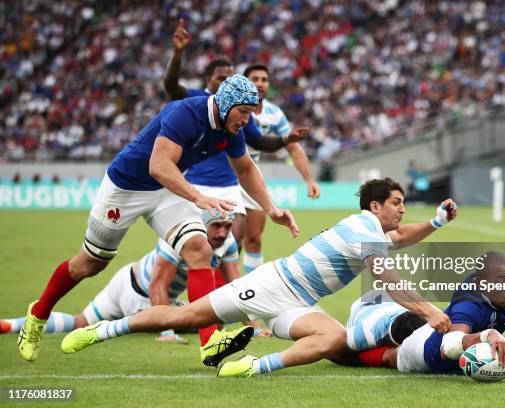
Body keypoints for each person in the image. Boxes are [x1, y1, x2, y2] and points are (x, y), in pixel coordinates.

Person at [18, 74, 298, 362]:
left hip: (167, 190)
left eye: (250, 114)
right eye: (244, 112)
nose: (247, 120)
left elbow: (246, 170)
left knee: (199, 249)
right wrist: (198, 197)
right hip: (126, 187)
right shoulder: (186, 113)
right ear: (226, 104)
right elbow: (159, 165)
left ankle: (210, 339)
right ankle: (37, 316)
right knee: (89, 264)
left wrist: (271, 208)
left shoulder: (233, 129)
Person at [61, 178, 455, 377]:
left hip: (298, 302)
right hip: (270, 286)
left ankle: (250, 367)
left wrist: (437, 221)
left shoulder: (371, 227)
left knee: (336, 340)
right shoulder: (364, 228)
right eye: (397, 203)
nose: (402, 210)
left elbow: (401, 236)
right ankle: (100, 331)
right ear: (376, 205)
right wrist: (428, 312)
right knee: (184, 317)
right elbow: (387, 276)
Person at [163, 20, 318, 272]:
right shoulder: (195, 101)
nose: (226, 81)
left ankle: (232, 303)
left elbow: (257, 141)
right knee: (195, 254)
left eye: (230, 77)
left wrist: (286, 140)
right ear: (208, 79)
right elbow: (171, 87)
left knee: (232, 248)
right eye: (221, 77)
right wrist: (178, 53)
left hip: (232, 186)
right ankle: (189, 302)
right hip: (198, 185)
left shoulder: (241, 114)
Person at [3, 212, 274, 343]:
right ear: (202, 222)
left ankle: (9, 325)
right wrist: (166, 331)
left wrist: (253, 324)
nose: (224, 232)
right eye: (217, 225)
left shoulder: (225, 245)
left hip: (128, 276)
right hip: (142, 294)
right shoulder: (181, 238)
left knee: (80, 321)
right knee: (207, 319)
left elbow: (236, 285)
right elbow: (158, 285)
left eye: (228, 226)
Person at [353, 252, 505, 374]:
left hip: (467, 349)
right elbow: (448, 346)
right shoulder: (468, 303)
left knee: (493, 348)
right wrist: (487, 334)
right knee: (391, 357)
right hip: (427, 353)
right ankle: (348, 353)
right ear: (481, 282)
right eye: (500, 281)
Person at [241, 63, 320, 273]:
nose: (259, 83)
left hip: (251, 177)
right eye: (254, 79)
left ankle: (251, 293)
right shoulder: (235, 106)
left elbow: (293, 147)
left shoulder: (274, 114)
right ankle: (217, 296)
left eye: (264, 80)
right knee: (228, 241)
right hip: (225, 175)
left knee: (254, 239)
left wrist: (309, 180)